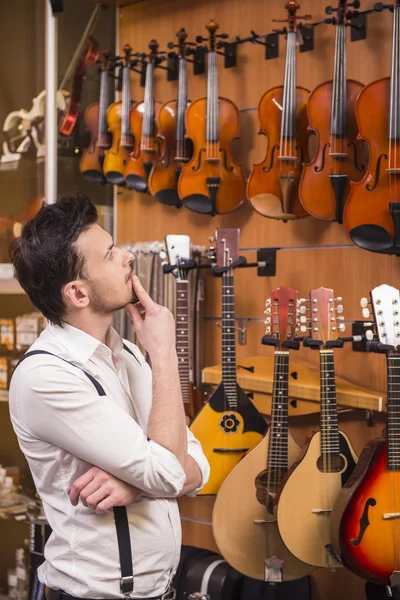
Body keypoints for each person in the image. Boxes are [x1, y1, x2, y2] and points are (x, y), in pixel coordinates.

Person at [8, 193, 210, 600]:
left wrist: (137, 484)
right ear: (78, 294)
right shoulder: (46, 377)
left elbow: (197, 464)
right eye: (110, 254)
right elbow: (172, 472)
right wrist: (166, 354)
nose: (128, 257)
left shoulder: (129, 353)